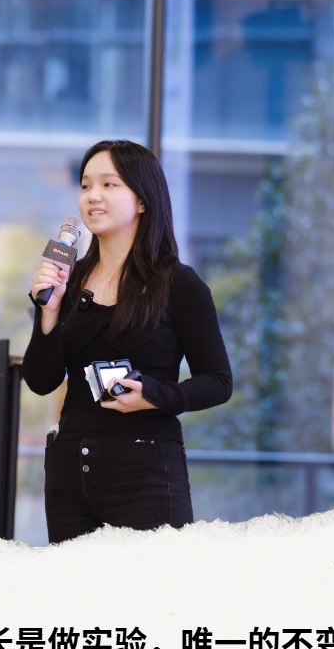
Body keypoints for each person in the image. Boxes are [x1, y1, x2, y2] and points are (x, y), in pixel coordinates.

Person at [22, 139, 232, 544]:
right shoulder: (69, 280)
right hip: (70, 472)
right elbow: (41, 380)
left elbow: (218, 382)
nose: (93, 196)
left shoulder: (179, 284)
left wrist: (154, 395)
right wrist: (48, 312)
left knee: (144, 585)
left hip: (145, 470)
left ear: (142, 201)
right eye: (86, 185)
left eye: (109, 184)